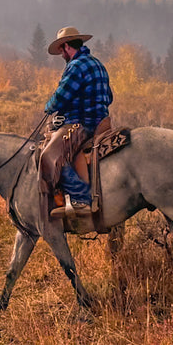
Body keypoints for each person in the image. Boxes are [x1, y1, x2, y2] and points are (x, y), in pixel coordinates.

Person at [42, 26, 112, 216]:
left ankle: (81, 198)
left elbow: (61, 97)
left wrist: (48, 107)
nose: (61, 55)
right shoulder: (97, 64)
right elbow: (109, 97)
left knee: (50, 157)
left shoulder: (75, 66)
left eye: (61, 51)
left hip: (81, 123)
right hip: (101, 122)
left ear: (66, 47)